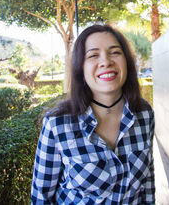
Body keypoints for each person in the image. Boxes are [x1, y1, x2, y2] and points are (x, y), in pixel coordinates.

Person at [31, 24, 155, 204]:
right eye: (93, 55)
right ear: (80, 69)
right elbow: (41, 197)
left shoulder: (144, 114)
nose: (106, 61)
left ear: (127, 62)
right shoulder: (57, 124)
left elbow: (148, 180)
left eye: (115, 52)